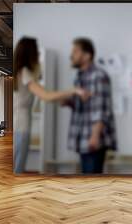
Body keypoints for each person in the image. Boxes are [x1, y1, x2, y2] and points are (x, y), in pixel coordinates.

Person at [13, 37, 90, 174]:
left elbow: (43, 95)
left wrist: (61, 100)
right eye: (35, 51)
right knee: (18, 168)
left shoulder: (20, 71)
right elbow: (45, 95)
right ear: (30, 53)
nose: (37, 54)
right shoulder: (25, 72)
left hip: (19, 124)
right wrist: (74, 90)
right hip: (21, 126)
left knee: (17, 166)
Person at [63, 37, 117, 174]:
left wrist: (95, 136)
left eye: (75, 51)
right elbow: (84, 105)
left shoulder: (98, 76)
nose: (71, 55)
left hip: (93, 139)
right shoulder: (80, 76)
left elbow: (101, 108)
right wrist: (69, 101)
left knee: (91, 183)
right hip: (83, 137)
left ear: (87, 55)